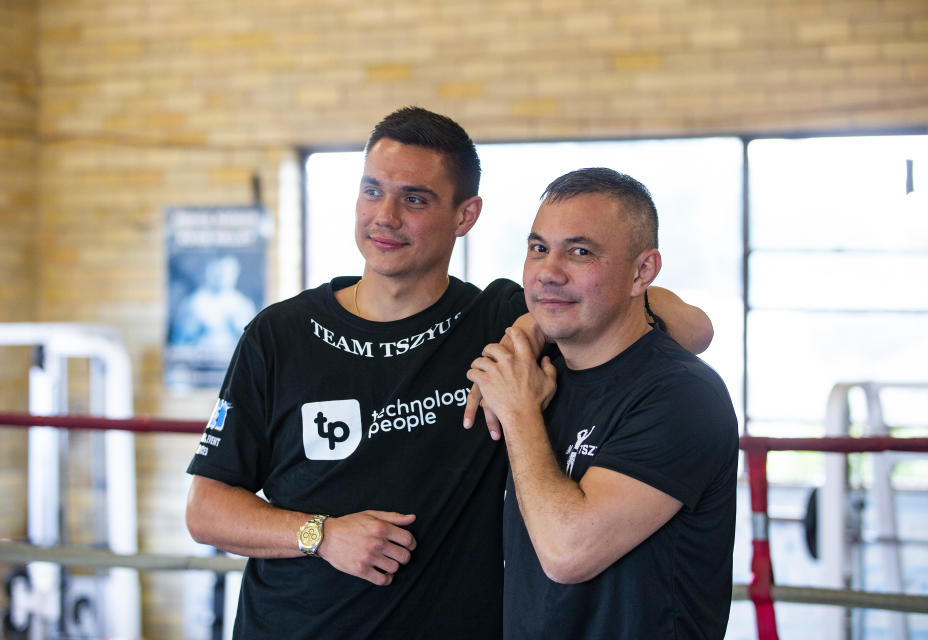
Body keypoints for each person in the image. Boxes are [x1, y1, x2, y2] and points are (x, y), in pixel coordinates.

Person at [184, 108, 713, 639]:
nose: (384, 216)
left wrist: (528, 331)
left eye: (414, 199)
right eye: (372, 191)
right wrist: (319, 534)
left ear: (466, 216)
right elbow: (206, 509)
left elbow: (691, 328)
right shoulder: (279, 335)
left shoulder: (497, 320)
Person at [468, 168, 738, 639]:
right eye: (538, 249)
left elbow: (568, 551)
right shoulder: (541, 368)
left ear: (641, 272)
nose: (549, 272)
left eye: (580, 251)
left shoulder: (683, 396)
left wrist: (517, 411)